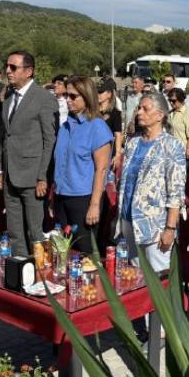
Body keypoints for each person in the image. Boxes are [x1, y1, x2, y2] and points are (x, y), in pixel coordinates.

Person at [117, 92, 186, 272]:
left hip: (155, 225)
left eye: (145, 109)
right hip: (129, 220)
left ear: (159, 116)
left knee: (157, 279)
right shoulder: (132, 142)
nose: (139, 112)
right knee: (133, 276)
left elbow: (176, 191)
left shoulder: (171, 145)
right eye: (139, 107)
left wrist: (170, 228)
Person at [1, 51, 59, 257]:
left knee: (35, 231)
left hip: (32, 176)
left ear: (29, 71)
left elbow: (49, 140)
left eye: (13, 67)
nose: (8, 71)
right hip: (11, 175)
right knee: (14, 230)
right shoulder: (9, 97)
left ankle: (41, 275)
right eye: (7, 66)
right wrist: (2, 170)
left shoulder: (43, 98)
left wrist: (43, 176)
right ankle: (19, 270)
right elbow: (7, 137)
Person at [52, 75, 113, 253]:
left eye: (73, 96)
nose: (68, 100)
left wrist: (94, 204)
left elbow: (101, 169)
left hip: (83, 198)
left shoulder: (97, 127)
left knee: (85, 251)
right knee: (64, 250)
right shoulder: (66, 126)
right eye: (66, 96)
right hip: (62, 196)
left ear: (86, 97)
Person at [98, 77, 124, 163]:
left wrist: (117, 155)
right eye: (97, 91)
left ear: (109, 94)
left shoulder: (115, 113)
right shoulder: (93, 112)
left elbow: (118, 134)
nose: (98, 94)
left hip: (108, 153)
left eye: (101, 92)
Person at [166, 87, 189, 160]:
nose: (171, 103)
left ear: (181, 100)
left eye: (173, 101)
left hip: (181, 152)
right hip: (170, 151)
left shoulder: (188, 114)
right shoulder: (170, 113)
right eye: (169, 100)